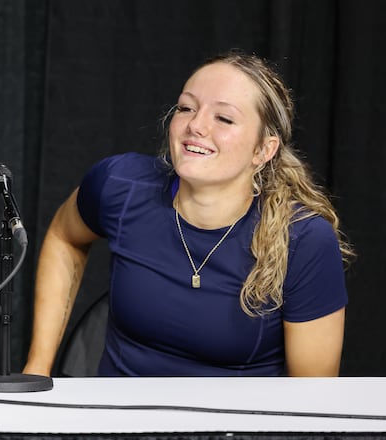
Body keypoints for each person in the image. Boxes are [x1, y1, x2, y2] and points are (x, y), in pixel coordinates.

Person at [22, 52, 354, 377]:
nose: (195, 125)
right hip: (117, 422)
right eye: (186, 108)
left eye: (223, 118)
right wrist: (38, 367)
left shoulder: (303, 239)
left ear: (263, 150)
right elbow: (64, 237)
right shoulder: (120, 184)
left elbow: (312, 397)